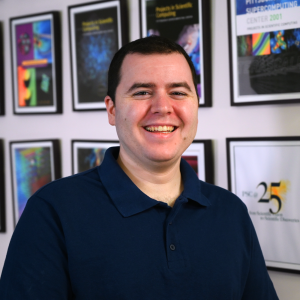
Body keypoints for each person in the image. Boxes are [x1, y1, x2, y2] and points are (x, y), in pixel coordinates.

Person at [0, 36, 278, 299]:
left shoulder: (231, 212)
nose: (163, 107)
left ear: (195, 105)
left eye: (178, 92)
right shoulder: (52, 212)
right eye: (143, 92)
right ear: (112, 110)